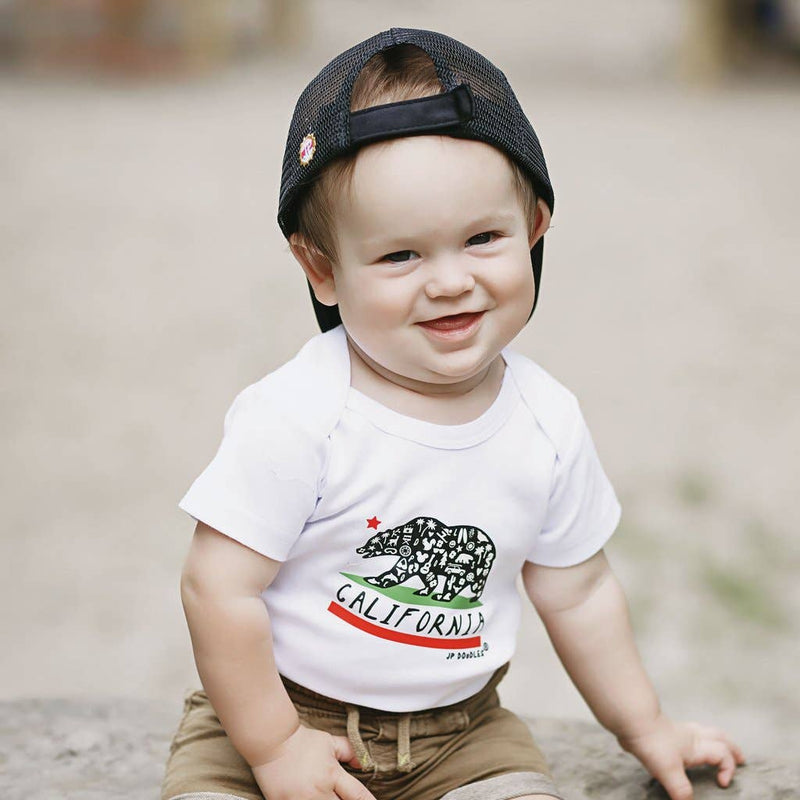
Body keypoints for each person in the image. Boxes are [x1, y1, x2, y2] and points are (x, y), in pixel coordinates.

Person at [162, 28, 744, 800]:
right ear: (322, 269)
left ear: (534, 226)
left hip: (460, 732)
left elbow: (580, 592)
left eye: (481, 239)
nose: (449, 282)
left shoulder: (547, 422)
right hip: (273, 711)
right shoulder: (299, 414)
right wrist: (273, 748)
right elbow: (217, 588)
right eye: (400, 255)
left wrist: (648, 727)